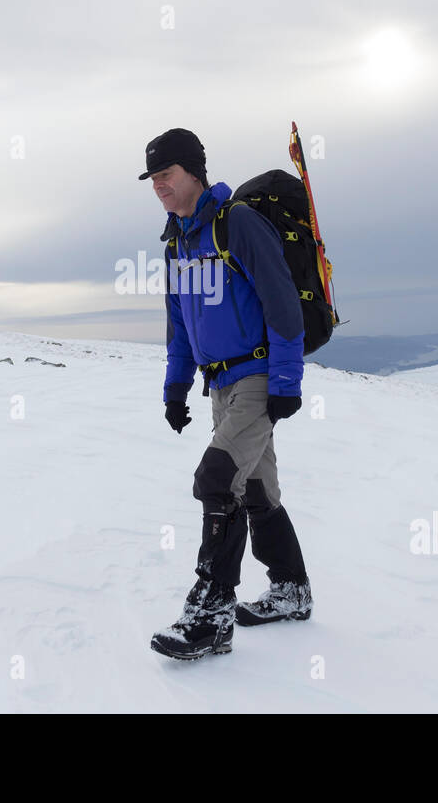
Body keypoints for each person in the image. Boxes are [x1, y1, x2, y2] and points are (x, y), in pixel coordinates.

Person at [142, 127, 313, 660]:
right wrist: (176, 389)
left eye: (165, 175)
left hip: (259, 378)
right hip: (220, 384)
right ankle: (290, 589)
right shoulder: (177, 244)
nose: (159, 187)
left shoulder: (237, 224)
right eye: (152, 179)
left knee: (216, 480)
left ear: (193, 171)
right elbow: (179, 325)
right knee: (256, 491)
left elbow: (282, 302)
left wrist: (286, 382)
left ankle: (211, 615)